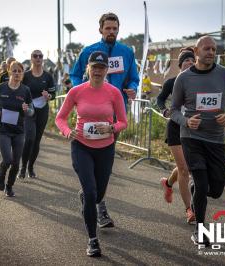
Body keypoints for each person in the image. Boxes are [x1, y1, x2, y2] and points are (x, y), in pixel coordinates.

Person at [170, 36, 225, 246]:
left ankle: (196, 191)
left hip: (216, 139)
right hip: (191, 138)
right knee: (202, 184)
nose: (211, 52)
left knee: (216, 189)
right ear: (196, 51)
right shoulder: (183, 78)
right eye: (206, 48)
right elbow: (173, 110)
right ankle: (200, 231)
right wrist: (185, 121)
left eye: (214, 49)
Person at [70, 12, 139, 228]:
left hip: (115, 116)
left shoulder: (127, 52)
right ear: (100, 29)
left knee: (104, 165)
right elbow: (74, 75)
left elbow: (134, 78)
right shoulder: (88, 51)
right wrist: (78, 92)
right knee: (90, 160)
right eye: (107, 28)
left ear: (119, 29)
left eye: (114, 28)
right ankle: (99, 206)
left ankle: (92, 196)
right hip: (90, 115)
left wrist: (133, 89)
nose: (111, 32)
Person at [56, 51, 127, 257]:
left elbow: (123, 121)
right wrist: (69, 132)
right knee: (90, 192)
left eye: (101, 67)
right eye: (94, 67)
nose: (97, 71)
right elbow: (60, 118)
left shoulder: (113, 92)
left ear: (107, 70)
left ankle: (89, 197)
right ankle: (92, 239)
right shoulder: (76, 91)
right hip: (81, 147)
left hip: (105, 148)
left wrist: (113, 128)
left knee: (99, 193)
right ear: (88, 68)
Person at [156, 47, 196, 224]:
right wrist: (165, 110)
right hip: (175, 127)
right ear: (180, 64)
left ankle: (168, 183)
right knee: (184, 169)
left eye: (192, 60)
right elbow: (159, 99)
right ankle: (190, 210)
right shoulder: (172, 82)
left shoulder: (200, 81)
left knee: (184, 167)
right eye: (186, 60)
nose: (190, 63)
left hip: (194, 128)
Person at [0, 61, 34, 197]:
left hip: (19, 131)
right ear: (9, 72)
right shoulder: (1, 87)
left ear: (22, 74)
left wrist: (27, 110)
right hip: (2, 129)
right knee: (8, 160)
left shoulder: (25, 90)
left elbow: (32, 111)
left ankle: (9, 186)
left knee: (16, 163)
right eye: (14, 71)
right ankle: (1, 174)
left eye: (19, 71)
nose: (17, 73)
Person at [17, 50, 55, 179]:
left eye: (40, 56)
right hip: (29, 111)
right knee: (29, 138)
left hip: (43, 110)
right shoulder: (26, 75)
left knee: (37, 141)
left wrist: (49, 96)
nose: (38, 58)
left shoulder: (48, 76)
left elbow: (53, 94)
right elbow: (19, 90)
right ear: (31, 58)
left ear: (42, 59)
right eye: (35, 56)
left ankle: (30, 167)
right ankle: (22, 167)